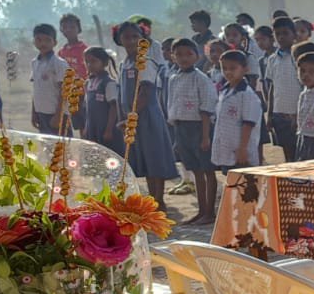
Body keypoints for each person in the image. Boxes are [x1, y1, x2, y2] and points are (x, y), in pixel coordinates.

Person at [116, 21, 180, 205]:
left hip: (147, 116)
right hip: (133, 117)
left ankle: (159, 200)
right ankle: (152, 199)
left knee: (154, 157)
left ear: (143, 39)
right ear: (119, 39)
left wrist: (131, 115)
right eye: (126, 37)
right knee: (144, 158)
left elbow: (145, 92)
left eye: (135, 37)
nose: (131, 41)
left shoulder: (145, 62)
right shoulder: (125, 63)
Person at [167, 39, 218, 226]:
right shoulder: (174, 78)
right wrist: (176, 136)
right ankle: (201, 210)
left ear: (197, 56)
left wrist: (205, 136)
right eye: (179, 54)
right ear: (173, 57)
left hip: (199, 127)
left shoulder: (201, 78)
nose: (184, 58)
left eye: (188, 54)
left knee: (208, 170)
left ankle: (210, 211)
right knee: (196, 171)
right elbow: (172, 105)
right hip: (182, 128)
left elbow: (206, 108)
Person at [211, 50, 263, 171]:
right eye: (224, 68)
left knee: (244, 180)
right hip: (226, 148)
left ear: (245, 69)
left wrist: (242, 149)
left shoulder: (247, 94)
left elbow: (248, 124)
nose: (228, 72)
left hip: (241, 151)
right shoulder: (224, 91)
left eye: (233, 68)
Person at [264, 15, 302, 161]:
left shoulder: (298, 57)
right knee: (287, 153)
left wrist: (298, 114)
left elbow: (304, 85)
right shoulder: (272, 59)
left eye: (285, 33)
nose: (281, 37)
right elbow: (272, 87)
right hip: (279, 113)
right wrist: (269, 114)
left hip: (297, 113)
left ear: (294, 34)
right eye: (277, 34)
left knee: (302, 153)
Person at [30, 23, 70, 134]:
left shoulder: (59, 63)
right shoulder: (35, 63)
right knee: (46, 143)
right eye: (39, 40)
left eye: (47, 40)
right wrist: (34, 112)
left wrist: (58, 115)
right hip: (41, 112)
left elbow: (65, 91)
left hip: (56, 113)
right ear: (34, 42)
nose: (43, 43)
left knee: (61, 143)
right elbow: (36, 89)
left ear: (55, 42)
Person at [82, 46, 122, 153]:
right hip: (93, 128)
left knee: (110, 154)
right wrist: (86, 127)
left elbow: (113, 107)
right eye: (87, 62)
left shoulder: (108, 83)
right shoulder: (88, 83)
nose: (90, 65)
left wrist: (109, 129)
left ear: (104, 63)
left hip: (105, 128)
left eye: (93, 61)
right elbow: (88, 109)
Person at [57, 13, 89, 80]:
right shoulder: (61, 52)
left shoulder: (85, 50)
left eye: (72, 27)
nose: (68, 30)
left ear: (79, 29)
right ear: (61, 30)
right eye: (65, 27)